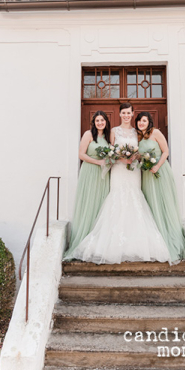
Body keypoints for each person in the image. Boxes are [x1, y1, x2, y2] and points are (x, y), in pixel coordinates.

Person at [66, 102, 170, 264]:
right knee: (117, 198)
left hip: (134, 171)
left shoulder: (138, 132)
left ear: (132, 114)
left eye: (129, 113)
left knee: (134, 198)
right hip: (118, 170)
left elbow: (141, 150)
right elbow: (112, 151)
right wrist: (122, 158)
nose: (126, 116)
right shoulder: (114, 131)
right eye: (124, 113)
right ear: (120, 114)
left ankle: (136, 242)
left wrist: (135, 157)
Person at [136, 111, 185, 262]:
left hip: (160, 171)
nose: (141, 123)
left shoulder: (156, 133)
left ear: (149, 122)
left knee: (163, 203)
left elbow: (166, 151)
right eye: (139, 121)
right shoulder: (139, 137)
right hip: (147, 175)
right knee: (152, 205)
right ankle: (156, 243)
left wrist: (157, 166)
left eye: (144, 121)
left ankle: (169, 240)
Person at [63, 111, 111, 260]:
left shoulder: (108, 138)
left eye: (102, 120)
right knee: (89, 203)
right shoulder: (88, 135)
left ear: (106, 122)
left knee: (101, 204)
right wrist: (98, 162)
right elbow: (81, 154)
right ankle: (83, 241)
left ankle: (98, 244)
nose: (100, 123)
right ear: (94, 123)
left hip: (103, 175)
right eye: (97, 121)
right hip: (90, 172)